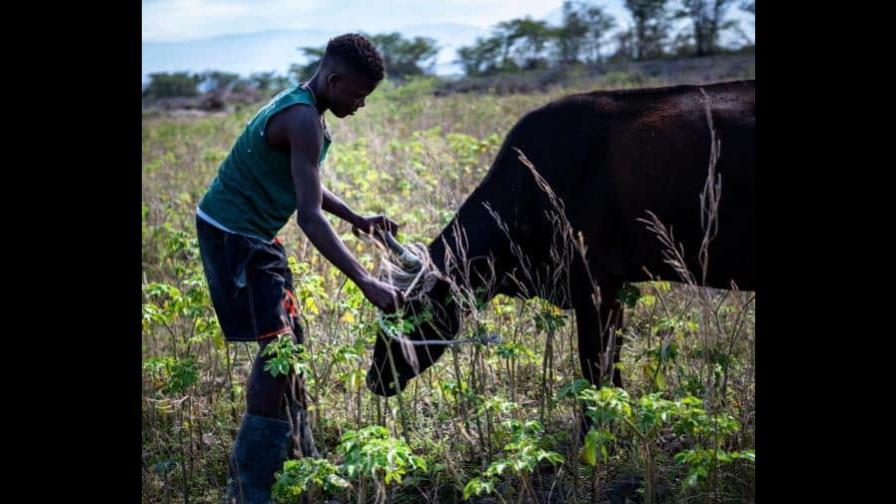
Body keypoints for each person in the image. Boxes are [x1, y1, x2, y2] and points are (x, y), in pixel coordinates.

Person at [194, 33, 403, 503]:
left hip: (252, 235)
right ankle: (251, 489)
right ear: (334, 80)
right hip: (235, 236)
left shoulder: (306, 107)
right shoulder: (302, 118)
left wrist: (358, 219)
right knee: (278, 357)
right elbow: (308, 215)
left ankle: (298, 457)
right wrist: (366, 281)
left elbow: (304, 181)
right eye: (358, 95)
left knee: (292, 345)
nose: (361, 105)